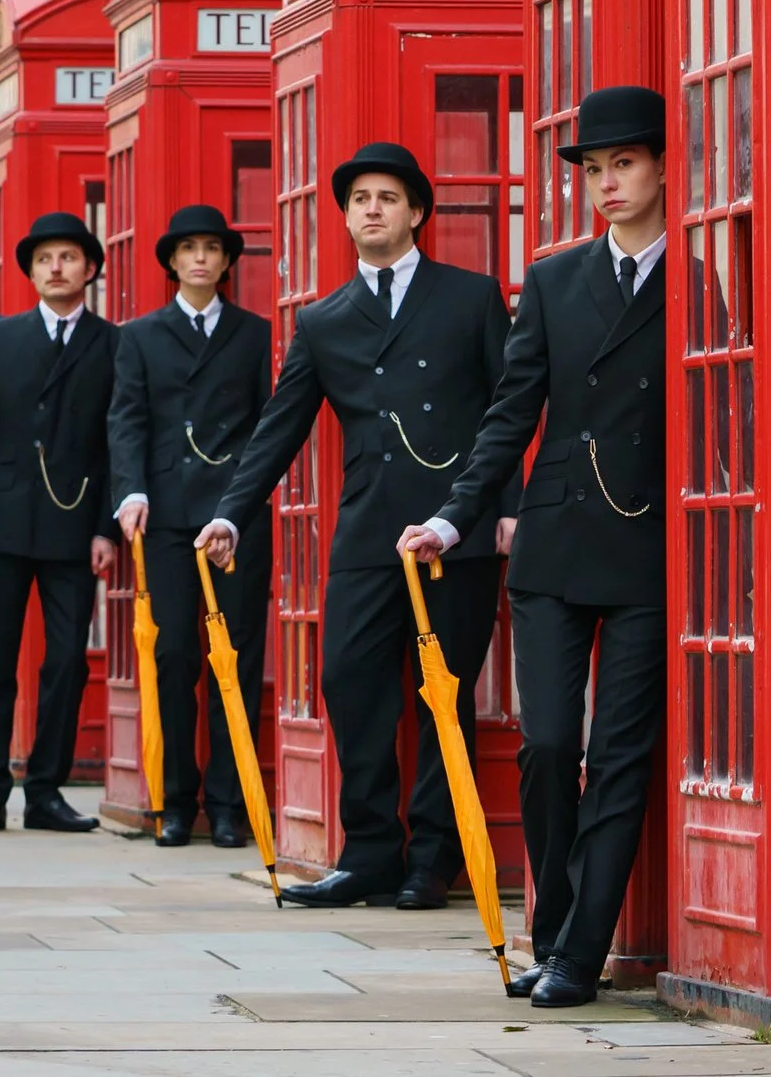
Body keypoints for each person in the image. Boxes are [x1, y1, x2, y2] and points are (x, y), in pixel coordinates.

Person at [205, 143, 517, 911]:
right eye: (360, 199)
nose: (372, 208)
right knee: (347, 679)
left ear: (416, 211)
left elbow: (509, 407)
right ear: (345, 217)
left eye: (387, 196)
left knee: (442, 694)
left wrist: (504, 507)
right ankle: (373, 850)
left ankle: (432, 858)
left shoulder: (470, 296)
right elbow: (277, 428)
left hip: (455, 532)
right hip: (367, 532)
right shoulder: (324, 318)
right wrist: (228, 513)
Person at [414, 86, 669, 1008]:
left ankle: (578, 952)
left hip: (650, 543)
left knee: (622, 753)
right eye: (593, 169)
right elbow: (509, 411)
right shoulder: (555, 279)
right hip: (556, 537)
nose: (605, 183)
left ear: (662, 167)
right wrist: (454, 514)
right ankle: (552, 921)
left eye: (622, 165)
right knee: (549, 743)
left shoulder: (704, 268)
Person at [0, 212, 118, 834]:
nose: (56, 268)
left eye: (67, 257)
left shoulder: (113, 342)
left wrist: (106, 528)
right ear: (30, 272)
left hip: (72, 519)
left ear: (90, 268)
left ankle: (45, 791)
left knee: (65, 660)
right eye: (44, 260)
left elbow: (119, 440)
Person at [109, 204, 275, 849]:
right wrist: (130, 492)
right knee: (175, 656)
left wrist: (248, 499)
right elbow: (125, 420)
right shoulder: (140, 336)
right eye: (189, 249)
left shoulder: (256, 333)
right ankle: (176, 801)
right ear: (172, 262)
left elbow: (270, 425)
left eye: (213, 247)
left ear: (229, 261)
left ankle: (229, 804)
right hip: (170, 517)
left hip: (235, 517)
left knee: (235, 658)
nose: (201, 257)